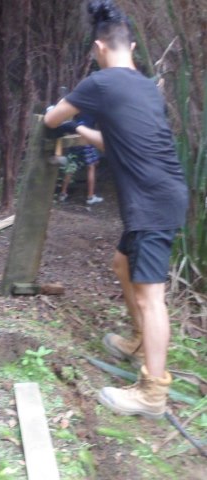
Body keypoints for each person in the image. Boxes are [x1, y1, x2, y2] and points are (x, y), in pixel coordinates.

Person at [44, 0, 188, 419]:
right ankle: (141, 342)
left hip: (151, 201)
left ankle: (152, 392)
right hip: (162, 194)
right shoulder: (145, 86)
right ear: (132, 46)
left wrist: (65, 120)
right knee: (122, 264)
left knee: (151, 296)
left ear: (98, 48)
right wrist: (82, 128)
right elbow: (115, 142)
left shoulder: (101, 82)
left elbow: (52, 119)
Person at [58, 113, 104, 205]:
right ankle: (90, 197)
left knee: (71, 165)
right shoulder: (95, 109)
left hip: (75, 137)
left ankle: (63, 194)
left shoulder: (78, 106)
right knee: (91, 167)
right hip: (87, 138)